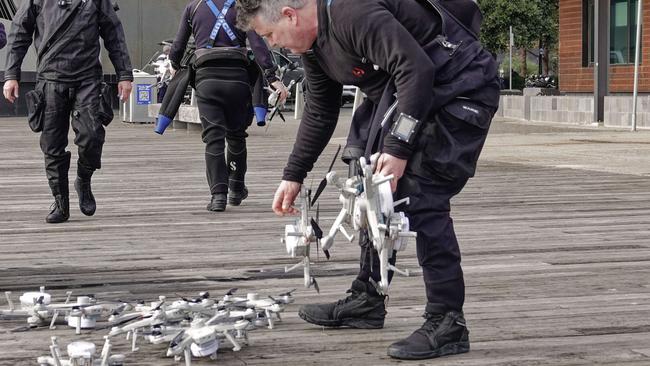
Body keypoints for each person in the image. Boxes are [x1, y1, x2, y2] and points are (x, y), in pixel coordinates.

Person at [236, 0, 500, 360]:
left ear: (289, 14)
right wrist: (293, 174)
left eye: (269, 36)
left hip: (458, 87)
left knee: (419, 196)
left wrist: (399, 148)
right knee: (366, 187)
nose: (272, 46)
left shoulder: (350, 12)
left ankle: (447, 320)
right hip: (404, 93)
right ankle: (367, 297)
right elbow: (320, 109)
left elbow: (416, 68)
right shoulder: (314, 46)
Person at [3, 0, 133, 224]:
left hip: (88, 78)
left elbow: (114, 33)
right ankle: (60, 201)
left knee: (92, 136)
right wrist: (11, 74)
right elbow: (19, 33)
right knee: (52, 145)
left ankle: (83, 178)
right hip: (50, 79)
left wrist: (124, 75)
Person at [169, 0, 288, 212]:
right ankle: (236, 188)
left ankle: (218, 195)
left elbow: (178, 45)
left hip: (207, 80)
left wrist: (175, 64)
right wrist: (271, 76)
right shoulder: (241, 6)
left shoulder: (193, 7)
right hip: (238, 78)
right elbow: (257, 43)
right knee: (236, 135)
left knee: (213, 138)